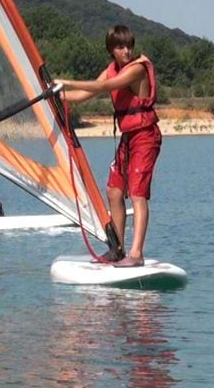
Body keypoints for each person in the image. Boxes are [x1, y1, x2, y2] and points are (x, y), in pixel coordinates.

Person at [58, 25, 161, 267]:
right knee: (114, 191)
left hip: (145, 136)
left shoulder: (136, 69)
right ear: (111, 50)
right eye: (120, 47)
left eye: (129, 46)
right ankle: (117, 249)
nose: (126, 51)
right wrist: (55, 96)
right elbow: (86, 94)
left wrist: (66, 82)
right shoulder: (111, 69)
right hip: (128, 138)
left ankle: (136, 254)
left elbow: (106, 87)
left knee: (137, 194)